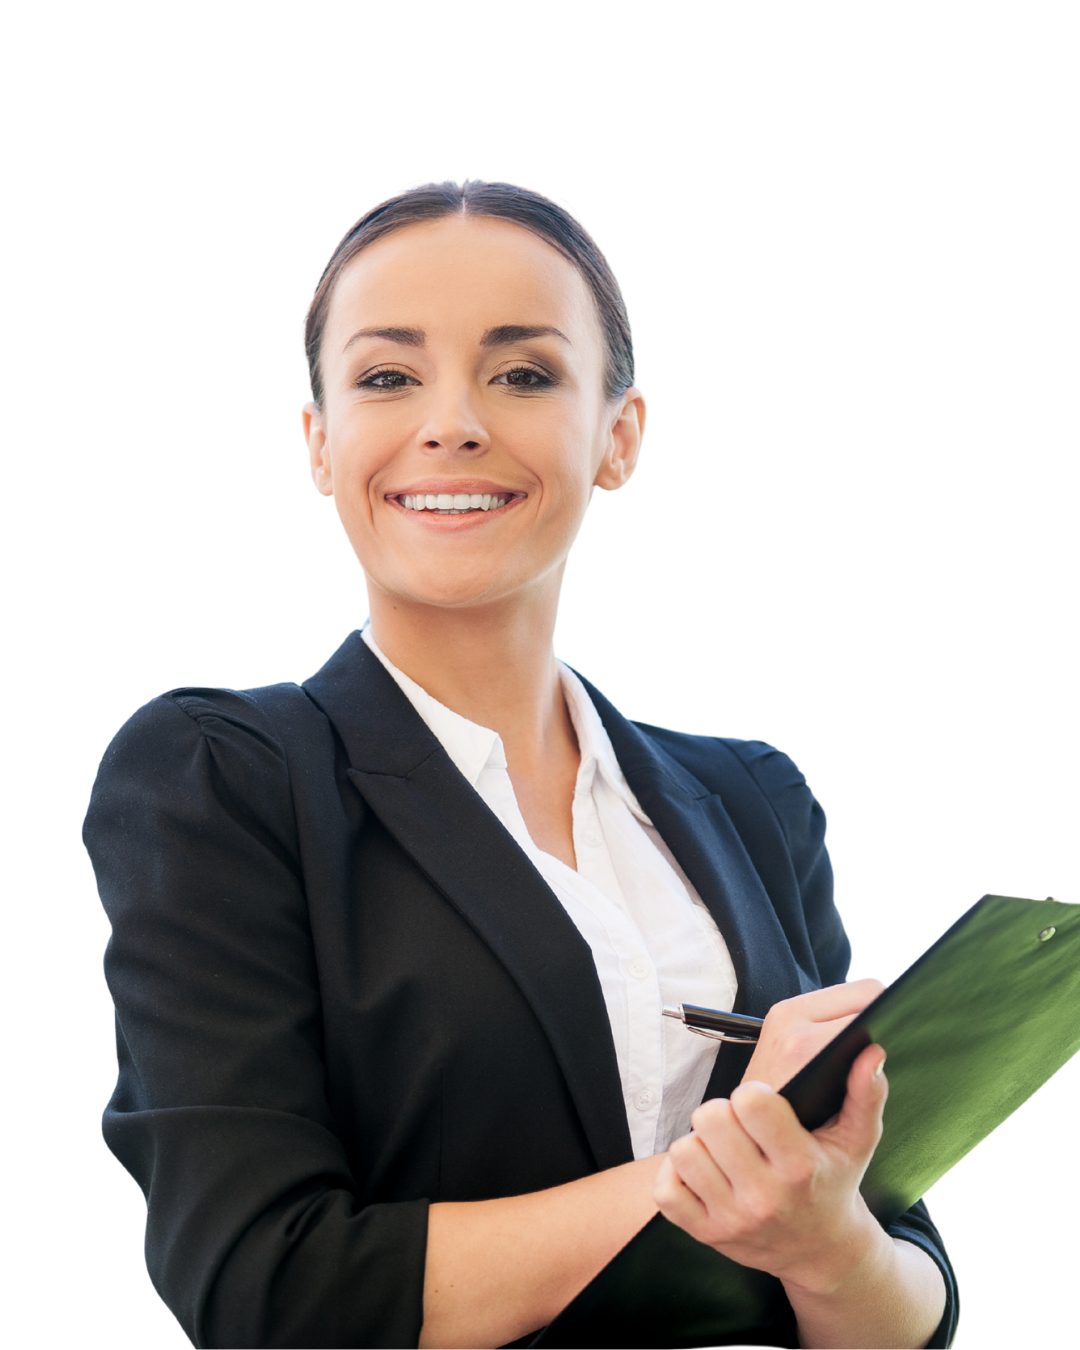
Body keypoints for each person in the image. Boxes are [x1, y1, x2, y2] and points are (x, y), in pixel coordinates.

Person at [85, 178, 960, 1350]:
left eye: (526, 373)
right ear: (320, 442)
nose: (453, 422)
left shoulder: (757, 800)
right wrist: (735, 1171)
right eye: (389, 376)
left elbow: (909, 1294)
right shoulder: (223, 778)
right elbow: (264, 1287)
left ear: (620, 436)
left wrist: (829, 1237)